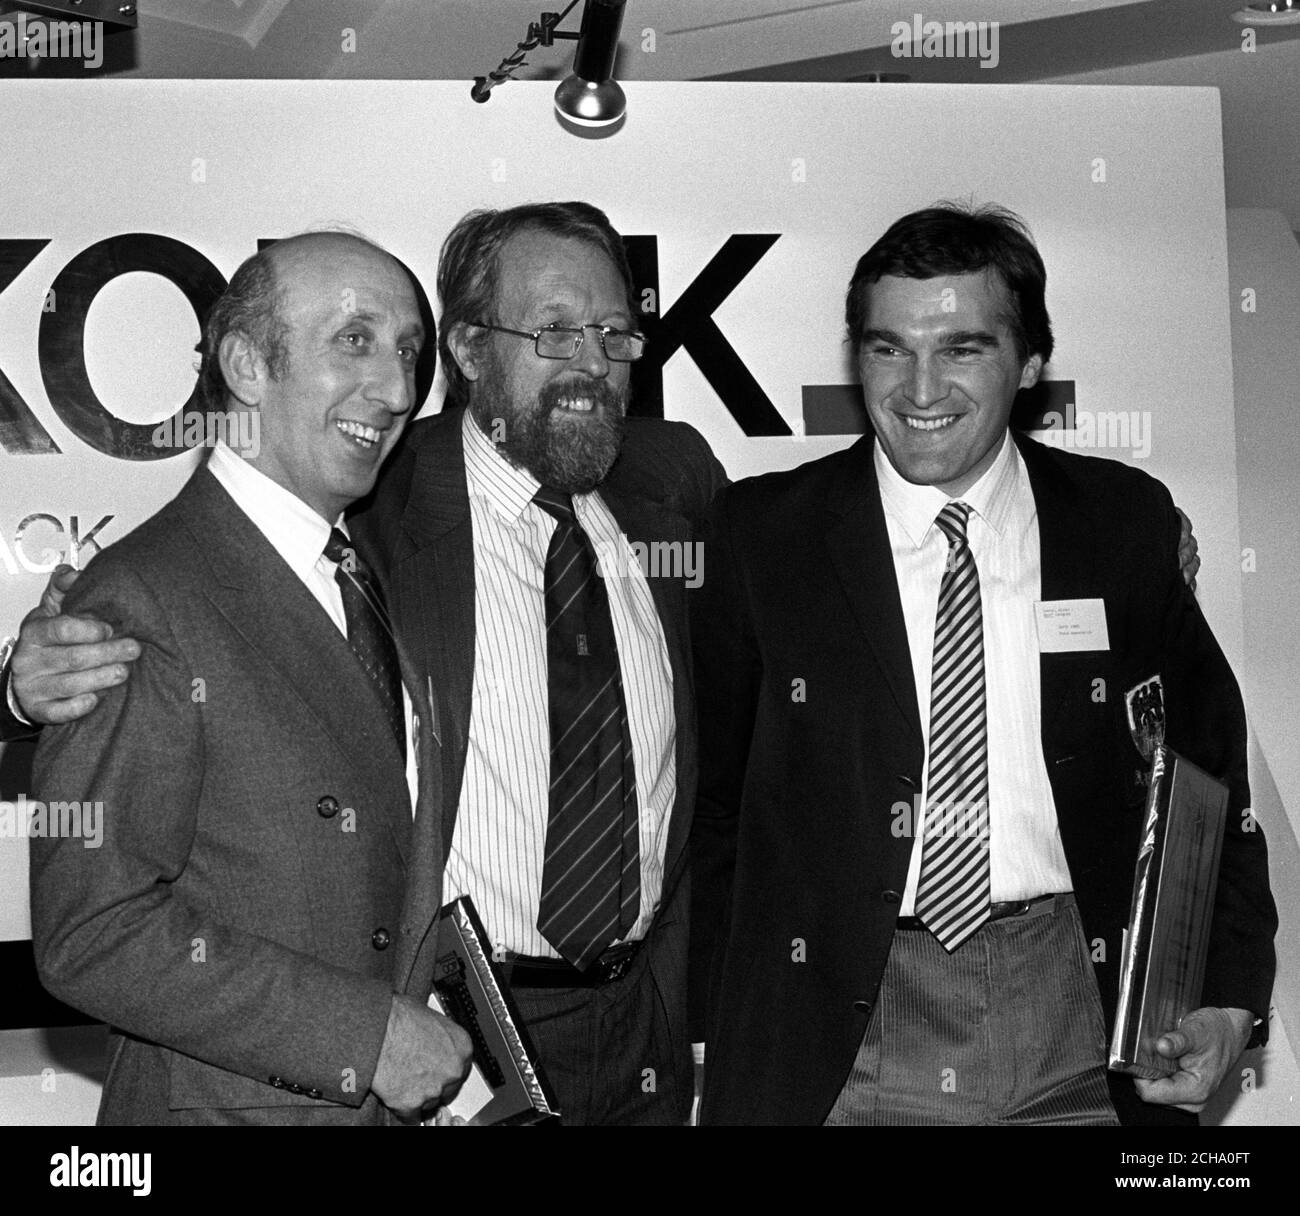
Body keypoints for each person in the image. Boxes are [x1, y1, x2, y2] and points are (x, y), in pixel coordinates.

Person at [5, 203, 727, 1126]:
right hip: (430, 1038)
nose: (391, 388)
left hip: (635, 1043)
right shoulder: (381, 506)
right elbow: (94, 920)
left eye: (613, 331)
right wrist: (23, 690)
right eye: (551, 330)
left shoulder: (672, 485)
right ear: (471, 351)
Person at [689, 203, 1276, 1126]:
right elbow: (708, 808)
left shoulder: (1123, 523)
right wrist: (724, 1016)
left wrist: (1232, 997)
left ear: (1030, 362)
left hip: (1089, 1018)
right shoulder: (763, 536)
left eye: (961, 349)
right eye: (887, 349)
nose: (919, 386)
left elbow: (1208, 778)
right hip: (843, 1026)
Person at [24, 231, 473, 1125]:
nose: (393, 391)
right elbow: (91, 931)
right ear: (244, 363)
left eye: (409, 354)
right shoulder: (141, 597)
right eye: (355, 340)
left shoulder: (358, 568)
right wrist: (366, 1037)